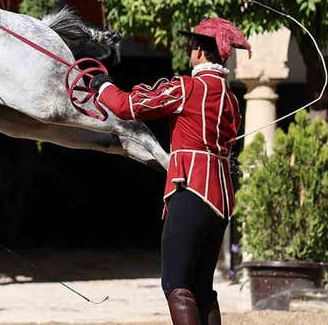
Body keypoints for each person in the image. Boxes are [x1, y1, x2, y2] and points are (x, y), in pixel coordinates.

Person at [90, 18, 251, 325]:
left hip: (190, 191)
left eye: (193, 45)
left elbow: (127, 106)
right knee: (202, 288)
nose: (190, 49)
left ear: (201, 53)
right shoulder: (231, 101)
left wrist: (103, 85)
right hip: (221, 201)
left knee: (177, 285)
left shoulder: (186, 88)